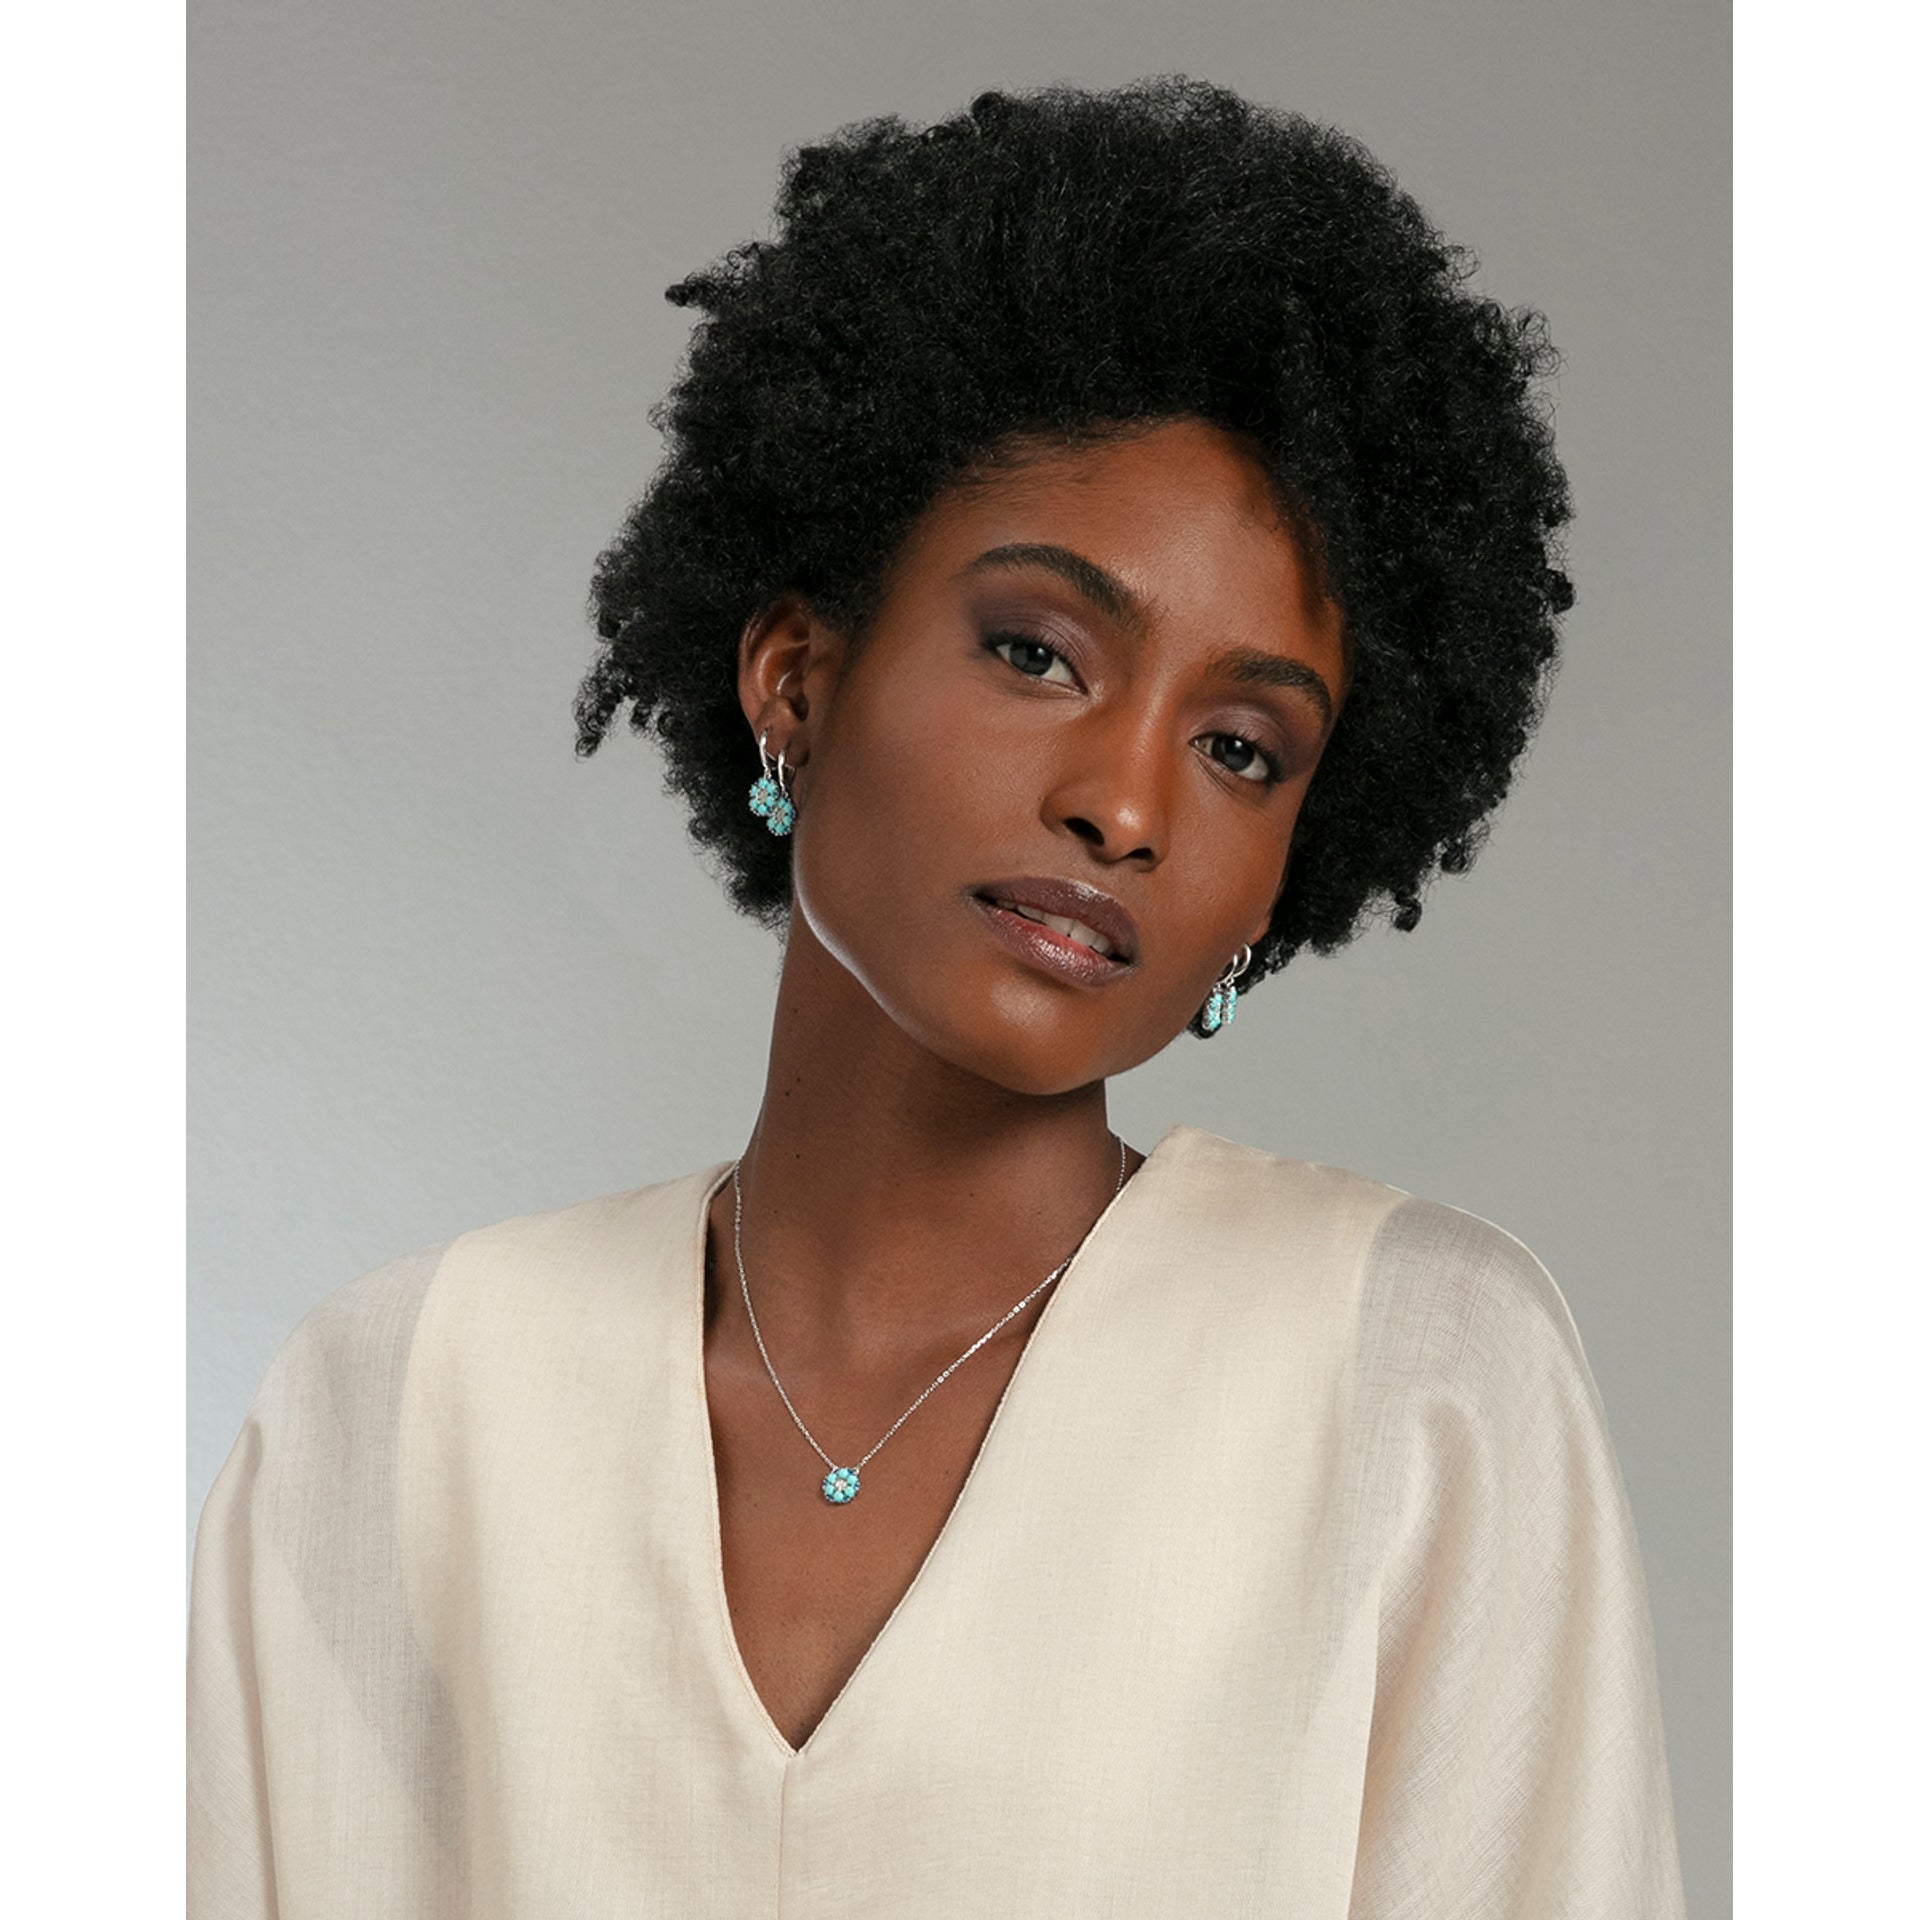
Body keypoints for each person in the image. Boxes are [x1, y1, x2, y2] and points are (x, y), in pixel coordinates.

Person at [187, 78, 1688, 1918]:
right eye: (1038, 652)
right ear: (796, 678)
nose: (1125, 805)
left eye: (1240, 747)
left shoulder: (1416, 1377)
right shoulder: (407, 1394)